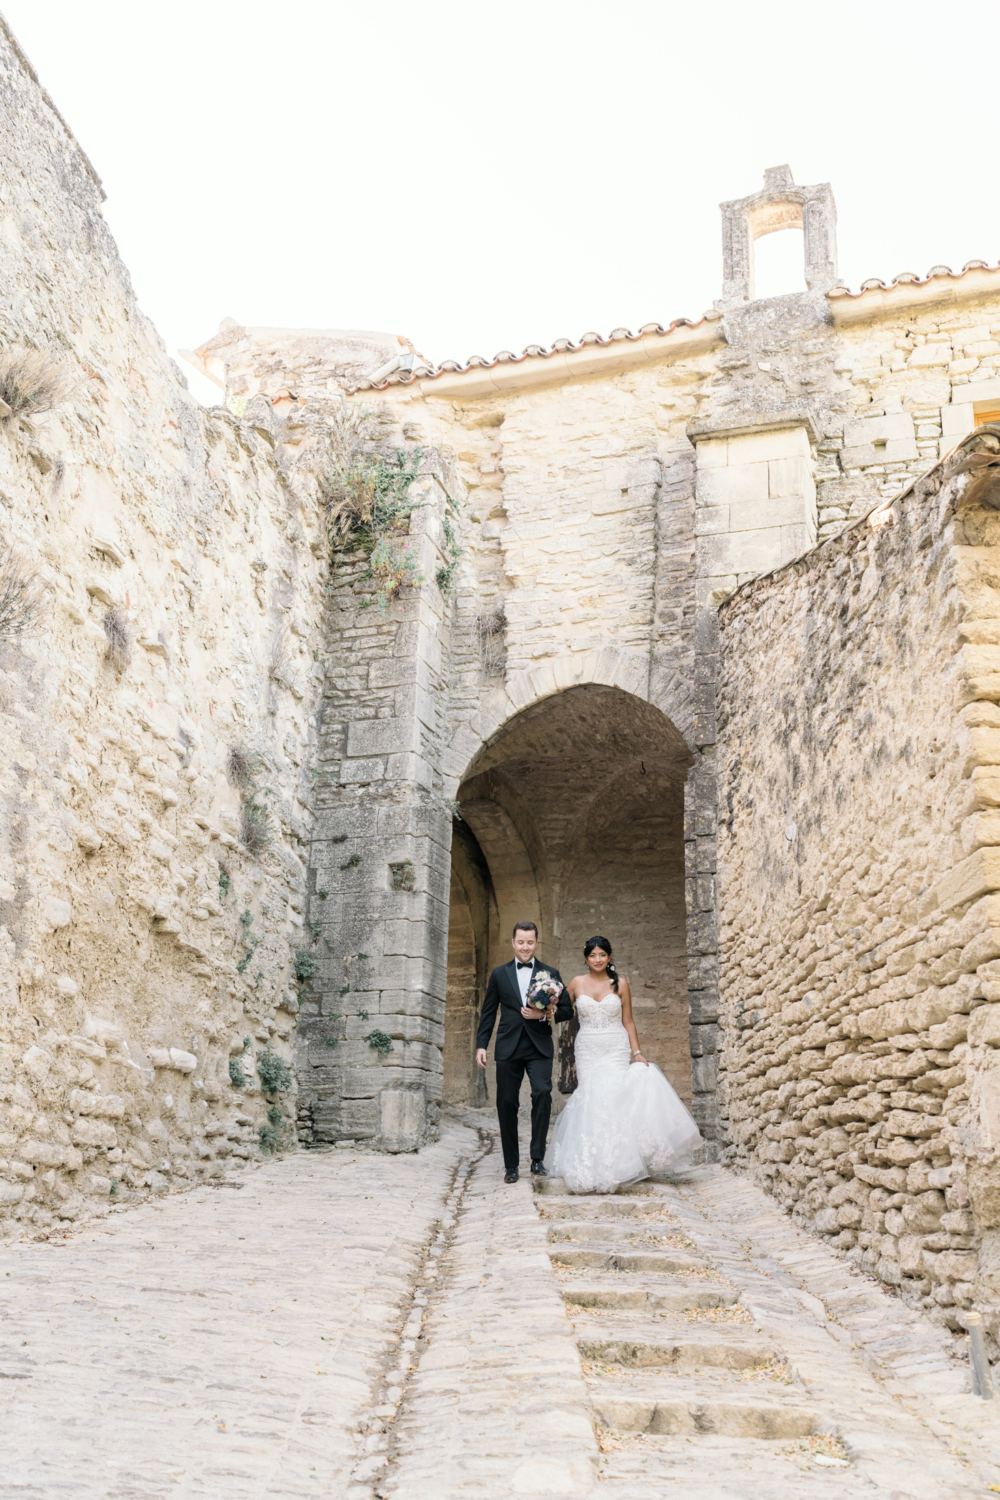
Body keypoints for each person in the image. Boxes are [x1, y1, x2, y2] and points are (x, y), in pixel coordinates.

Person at [548, 935, 701, 1194]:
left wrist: (637, 1052)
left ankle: (620, 1165)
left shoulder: (620, 984)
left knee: (614, 1098)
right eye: (593, 955)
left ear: (609, 957)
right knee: (592, 1099)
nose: (598, 960)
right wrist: (549, 1007)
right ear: (586, 958)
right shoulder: (575, 983)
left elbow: (628, 1020)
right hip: (587, 1049)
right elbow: (563, 1012)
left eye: (602, 955)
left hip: (615, 1047)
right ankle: (593, 1163)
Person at [476, 921, 572, 1183]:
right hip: (508, 1046)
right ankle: (511, 1165)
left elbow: (567, 1010)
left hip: (539, 1045)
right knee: (507, 1102)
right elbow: (487, 1013)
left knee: (542, 1092)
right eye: (521, 942)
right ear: (513, 943)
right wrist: (481, 1045)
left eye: (530, 942)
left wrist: (545, 1012)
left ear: (536, 943)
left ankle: (538, 1159)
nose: (525, 947)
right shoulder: (499, 974)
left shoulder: (550, 973)